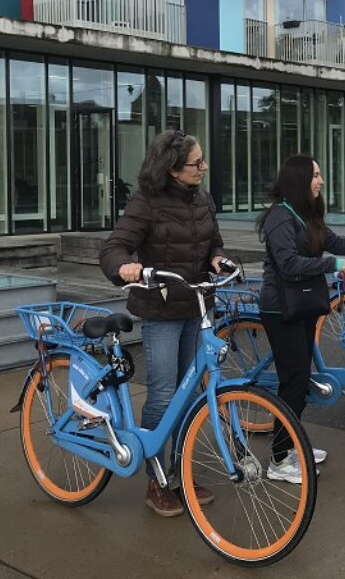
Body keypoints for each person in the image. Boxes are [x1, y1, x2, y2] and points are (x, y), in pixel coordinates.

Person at [100, 129, 229, 518]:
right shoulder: (147, 203)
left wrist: (217, 259)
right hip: (161, 308)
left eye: (203, 160)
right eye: (195, 163)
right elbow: (113, 247)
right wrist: (124, 266)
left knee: (189, 395)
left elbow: (213, 242)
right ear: (172, 169)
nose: (203, 168)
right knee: (163, 393)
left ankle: (179, 472)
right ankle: (157, 480)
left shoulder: (202, 198)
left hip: (196, 305)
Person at [256, 154, 345, 484]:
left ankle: (292, 444)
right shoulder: (279, 218)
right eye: (315, 175)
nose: (321, 180)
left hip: (300, 305)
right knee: (295, 380)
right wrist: (333, 265)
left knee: (300, 377)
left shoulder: (306, 214)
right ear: (300, 179)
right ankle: (279, 458)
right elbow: (288, 264)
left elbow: (335, 242)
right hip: (281, 308)